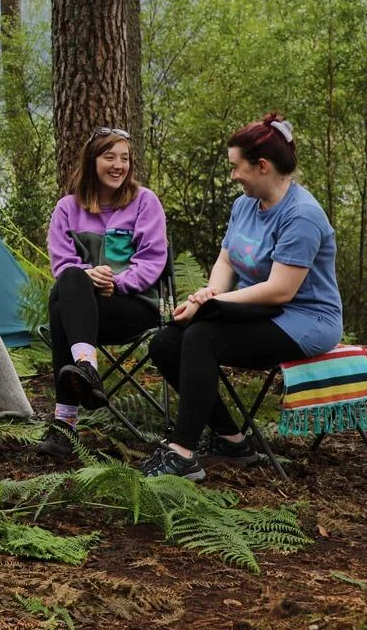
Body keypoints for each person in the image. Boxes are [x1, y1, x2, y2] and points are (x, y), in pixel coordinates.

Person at [140, 112, 341, 481]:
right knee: (166, 343)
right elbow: (227, 257)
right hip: (259, 309)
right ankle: (232, 440)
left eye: (236, 167)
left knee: (202, 336)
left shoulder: (302, 216)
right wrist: (212, 291)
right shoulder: (244, 205)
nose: (232, 175)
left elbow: (281, 290)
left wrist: (209, 305)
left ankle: (182, 453)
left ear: (262, 166)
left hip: (303, 319)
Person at [39, 126, 169, 457]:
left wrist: (115, 282)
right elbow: (62, 264)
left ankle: (65, 422)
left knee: (60, 305)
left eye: (124, 158)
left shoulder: (144, 202)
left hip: (133, 307)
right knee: (68, 283)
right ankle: (86, 368)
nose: (118, 165)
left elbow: (153, 262)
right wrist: (88, 276)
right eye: (109, 157)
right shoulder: (68, 208)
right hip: (85, 312)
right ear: (92, 162)